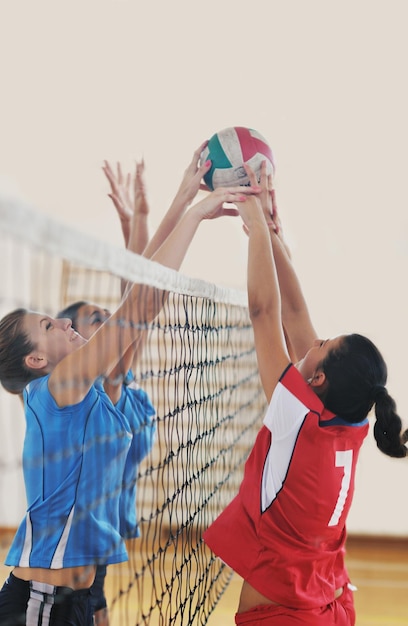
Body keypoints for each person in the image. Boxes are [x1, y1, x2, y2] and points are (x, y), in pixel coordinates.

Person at [0, 149, 260, 625]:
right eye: (47, 325)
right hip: (40, 603)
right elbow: (136, 306)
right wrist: (196, 211)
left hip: (73, 598)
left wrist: (185, 197)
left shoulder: (89, 387)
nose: (60, 321)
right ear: (36, 359)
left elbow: (142, 296)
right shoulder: (57, 386)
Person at [203, 161, 408, 626]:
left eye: (321, 345)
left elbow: (265, 311)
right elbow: (294, 312)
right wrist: (273, 232)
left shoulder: (300, 412)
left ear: (318, 380)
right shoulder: (351, 417)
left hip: (291, 611)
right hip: (326, 596)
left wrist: (254, 224)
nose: (311, 340)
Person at [56, 147, 211, 625]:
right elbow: (141, 303)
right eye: (92, 324)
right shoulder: (95, 387)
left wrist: (137, 222)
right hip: (69, 550)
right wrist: (183, 200)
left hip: (93, 542)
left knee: (95, 605)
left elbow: (135, 298)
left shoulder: (118, 384)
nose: (107, 326)